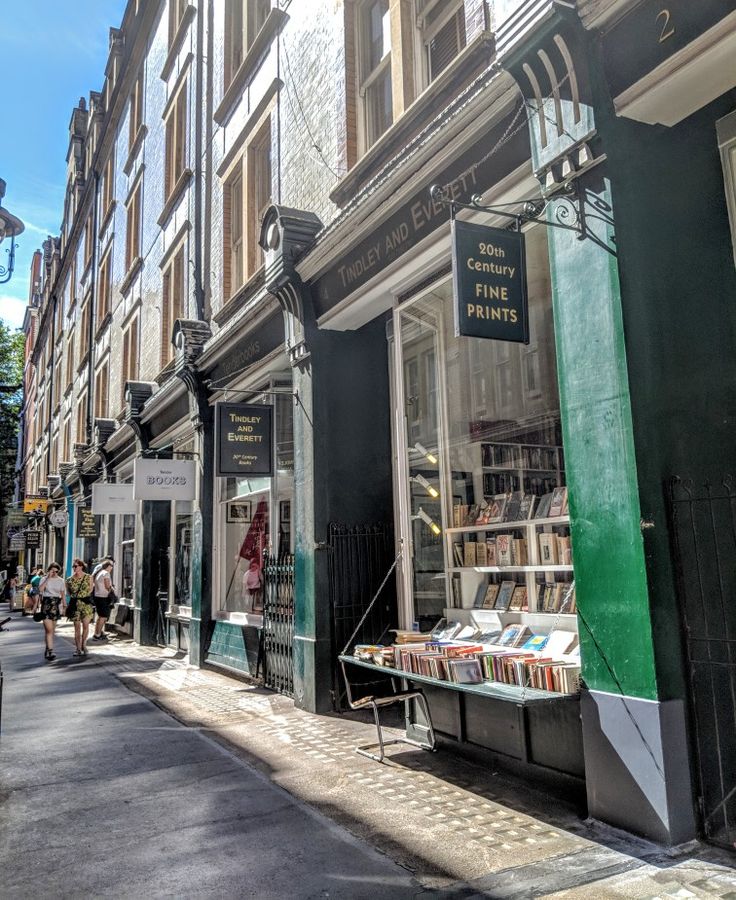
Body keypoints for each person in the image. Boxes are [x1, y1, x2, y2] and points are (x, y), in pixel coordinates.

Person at [33, 563, 66, 662]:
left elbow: (63, 595)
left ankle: (47, 649)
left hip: (56, 605)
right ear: (49, 570)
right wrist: (48, 578)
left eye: (56, 571)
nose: (54, 573)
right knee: (49, 630)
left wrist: (64, 607)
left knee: (52, 630)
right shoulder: (44, 579)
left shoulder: (61, 581)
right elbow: (40, 590)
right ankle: (51, 651)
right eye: (53, 571)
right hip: (46, 605)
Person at [66, 558, 95, 658]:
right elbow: (69, 592)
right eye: (73, 566)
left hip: (86, 604)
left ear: (81, 566)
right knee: (77, 627)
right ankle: (78, 648)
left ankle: (84, 645)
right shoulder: (69, 580)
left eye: (76, 566)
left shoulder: (89, 577)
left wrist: (84, 595)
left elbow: (91, 589)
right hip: (75, 605)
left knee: (86, 626)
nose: (74, 568)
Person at [92, 559, 114, 642]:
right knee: (103, 617)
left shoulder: (99, 573)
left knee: (100, 616)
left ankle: (97, 633)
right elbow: (107, 585)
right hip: (103, 597)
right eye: (111, 566)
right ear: (108, 566)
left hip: (97, 596)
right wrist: (111, 590)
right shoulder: (106, 573)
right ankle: (97, 635)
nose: (112, 568)